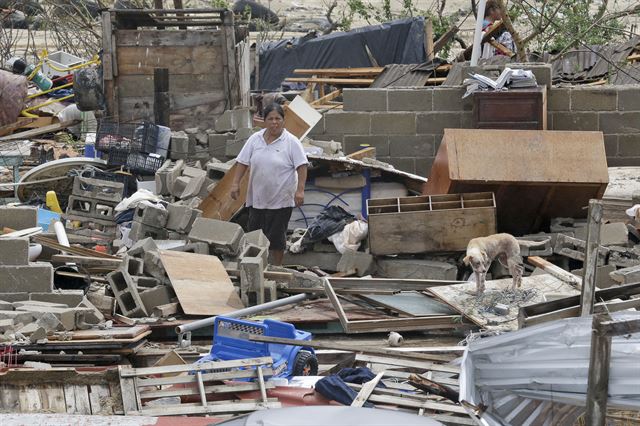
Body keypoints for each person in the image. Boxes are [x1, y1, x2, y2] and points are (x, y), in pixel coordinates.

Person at [230, 103, 308, 266]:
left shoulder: (291, 142)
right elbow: (242, 162)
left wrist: (300, 190)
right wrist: (235, 184)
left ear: (283, 120)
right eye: (270, 119)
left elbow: (302, 165)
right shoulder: (254, 139)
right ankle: (256, 267)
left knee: (276, 238)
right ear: (264, 121)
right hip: (257, 198)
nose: (274, 122)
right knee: (255, 236)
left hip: (281, 200)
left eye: (278, 118)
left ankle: (276, 268)